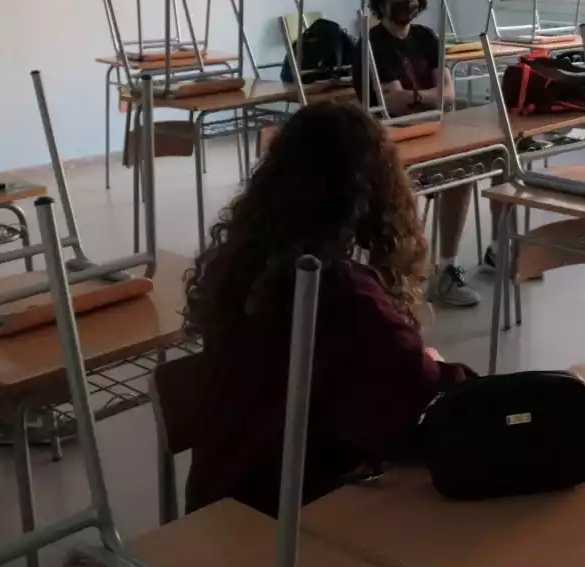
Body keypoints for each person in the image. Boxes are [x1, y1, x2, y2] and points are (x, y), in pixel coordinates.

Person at [184, 101, 476, 517]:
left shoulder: (248, 272)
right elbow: (422, 407)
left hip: (219, 507)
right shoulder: (339, 293)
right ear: (374, 194)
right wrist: (439, 368)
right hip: (276, 531)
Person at [351, 0, 481, 307]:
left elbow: (448, 94)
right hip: (388, 138)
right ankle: (393, 279)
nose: (406, 0)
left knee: (464, 170)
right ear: (381, 1)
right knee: (400, 194)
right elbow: (389, 101)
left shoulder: (425, 37)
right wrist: (427, 95)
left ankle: (447, 269)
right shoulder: (372, 43)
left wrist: (415, 97)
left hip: (431, 129)